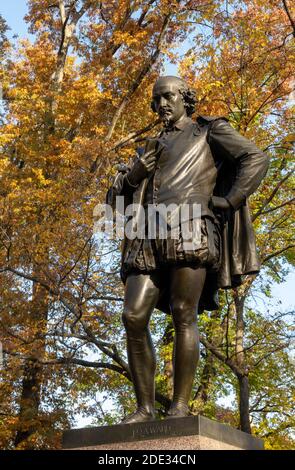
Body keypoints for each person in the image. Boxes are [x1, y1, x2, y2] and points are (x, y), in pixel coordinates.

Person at [106, 76, 269, 423]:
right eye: (156, 100)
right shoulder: (146, 148)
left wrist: (229, 199)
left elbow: (255, 158)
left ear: (185, 99)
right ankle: (144, 408)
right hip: (146, 236)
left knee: (183, 312)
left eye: (168, 97)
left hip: (190, 231)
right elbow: (115, 202)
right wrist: (134, 175)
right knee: (133, 317)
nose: (162, 105)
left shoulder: (207, 132)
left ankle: (179, 405)